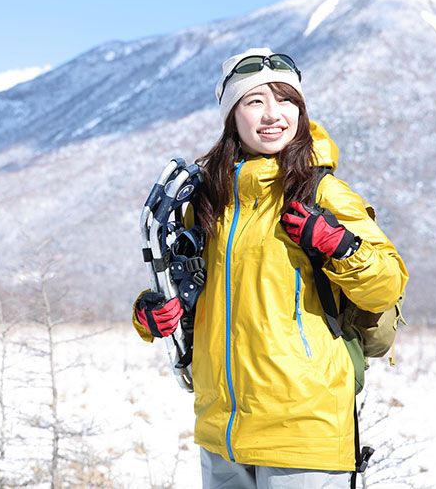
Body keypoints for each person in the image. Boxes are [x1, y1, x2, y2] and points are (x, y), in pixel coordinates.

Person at [132, 47, 409, 488]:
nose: (272, 114)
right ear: (232, 116)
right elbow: (183, 286)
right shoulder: (208, 200)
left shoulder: (324, 192)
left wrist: (340, 246)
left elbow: (385, 287)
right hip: (221, 428)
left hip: (303, 426)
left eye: (285, 100)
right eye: (254, 101)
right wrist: (151, 315)